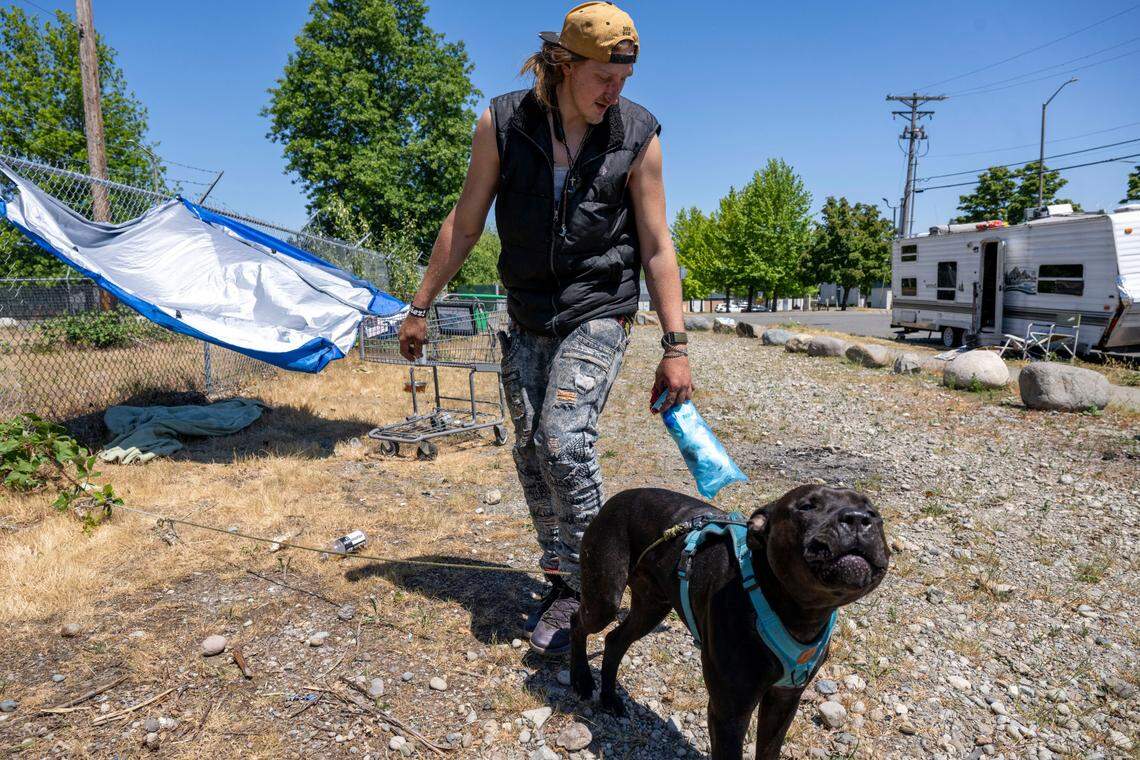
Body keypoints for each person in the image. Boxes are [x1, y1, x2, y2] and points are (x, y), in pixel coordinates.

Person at [398, 1, 692, 655]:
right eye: (603, 79)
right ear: (563, 64)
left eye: (625, 79)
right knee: (532, 452)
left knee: (563, 441)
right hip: (528, 312)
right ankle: (563, 583)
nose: (615, 93)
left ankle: (597, 590)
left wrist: (676, 344)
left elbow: (657, 244)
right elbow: (466, 221)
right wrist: (420, 304)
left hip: (600, 308)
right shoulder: (503, 123)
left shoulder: (637, 134)